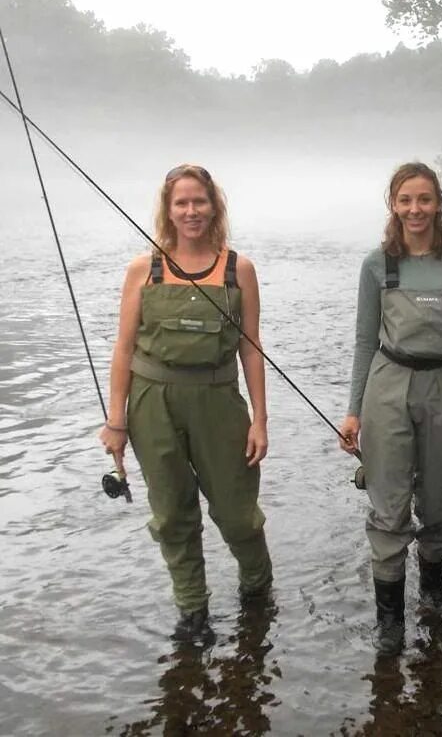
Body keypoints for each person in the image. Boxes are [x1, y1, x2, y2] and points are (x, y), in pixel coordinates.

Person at [99, 164, 272, 641]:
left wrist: (260, 420)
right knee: (173, 514)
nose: (191, 211)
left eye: (200, 201)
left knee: (238, 515)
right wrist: (117, 421)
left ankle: (258, 593)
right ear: (168, 210)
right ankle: (193, 610)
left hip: (220, 402)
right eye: (182, 203)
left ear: (214, 206)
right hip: (152, 404)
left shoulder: (240, 269)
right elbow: (123, 348)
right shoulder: (143, 270)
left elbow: (251, 348)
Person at [339, 162, 442, 654]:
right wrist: (353, 410)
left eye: (424, 199)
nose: (415, 209)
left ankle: (434, 597)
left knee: (439, 499)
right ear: (393, 205)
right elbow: (363, 341)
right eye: (406, 200)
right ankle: (389, 623)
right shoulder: (376, 264)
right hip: (387, 387)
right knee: (389, 504)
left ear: (438, 202)